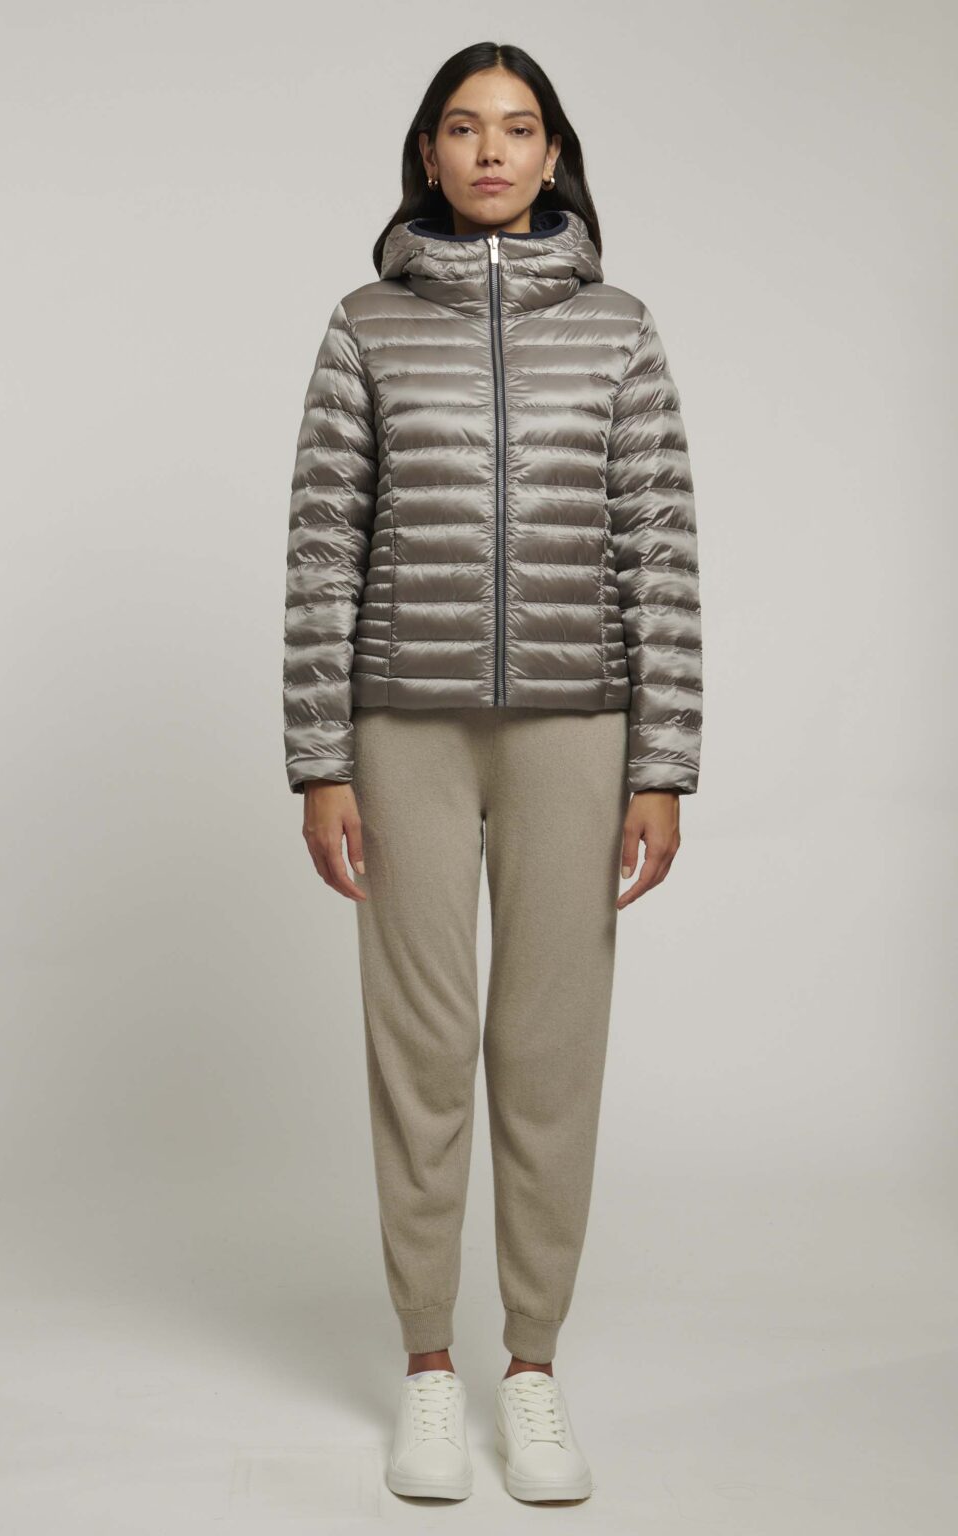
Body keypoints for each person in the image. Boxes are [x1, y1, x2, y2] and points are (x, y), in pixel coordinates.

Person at [281, 40, 703, 1505]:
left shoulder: (622, 332)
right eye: (463, 128)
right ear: (428, 154)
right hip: (400, 726)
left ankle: (530, 1369)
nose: (490, 152)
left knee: (548, 1049)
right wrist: (318, 759)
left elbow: (660, 552)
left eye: (518, 129)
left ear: (553, 152)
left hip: (579, 731)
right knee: (419, 1052)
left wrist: (663, 763)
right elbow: (322, 548)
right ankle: (426, 1367)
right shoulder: (364, 329)